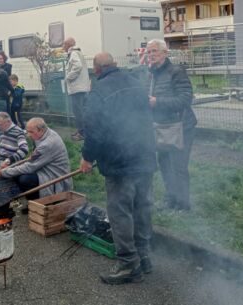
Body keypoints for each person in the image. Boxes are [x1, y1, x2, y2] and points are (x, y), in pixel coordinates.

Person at [79, 52, 157, 285]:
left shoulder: (99, 91)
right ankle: (144, 257)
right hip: (144, 157)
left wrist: (86, 158)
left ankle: (128, 264)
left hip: (119, 162)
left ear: (97, 70)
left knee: (120, 212)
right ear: (114, 64)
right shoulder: (136, 84)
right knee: (142, 206)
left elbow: (94, 131)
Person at [147, 39, 197, 211]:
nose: (151, 55)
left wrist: (157, 102)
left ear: (165, 53)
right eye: (149, 52)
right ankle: (171, 198)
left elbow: (185, 99)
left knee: (178, 165)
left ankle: (183, 204)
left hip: (181, 126)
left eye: (154, 51)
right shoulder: (151, 73)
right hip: (161, 127)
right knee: (165, 164)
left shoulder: (176, 72)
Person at [0, 117, 71, 200]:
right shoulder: (46, 133)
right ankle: (24, 197)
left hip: (55, 177)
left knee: (25, 179)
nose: (28, 135)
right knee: (17, 172)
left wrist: (3, 172)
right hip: (45, 167)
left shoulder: (48, 144)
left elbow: (29, 167)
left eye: (31, 132)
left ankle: (37, 202)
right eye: (27, 131)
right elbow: (34, 159)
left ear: (41, 130)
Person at [62, 37, 91, 141]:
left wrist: (68, 78)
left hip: (77, 88)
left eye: (64, 45)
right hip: (82, 87)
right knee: (82, 111)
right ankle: (82, 131)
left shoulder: (74, 53)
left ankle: (82, 133)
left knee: (78, 112)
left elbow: (77, 67)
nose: (63, 47)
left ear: (69, 45)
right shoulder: (78, 52)